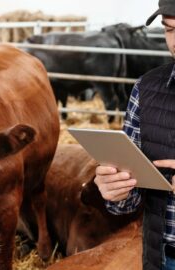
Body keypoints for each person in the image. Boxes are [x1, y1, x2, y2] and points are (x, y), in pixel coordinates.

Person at [94, 1, 175, 269]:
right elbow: (131, 201)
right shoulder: (145, 89)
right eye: (171, 30)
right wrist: (116, 191)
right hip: (163, 257)